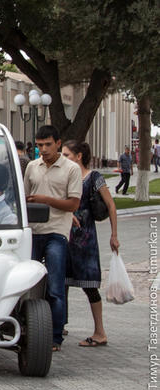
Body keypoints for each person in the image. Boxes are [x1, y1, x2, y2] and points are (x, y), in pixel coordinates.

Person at [25, 125, 81, 351]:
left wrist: (46, 200)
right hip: (33, 232)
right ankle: (29, 331)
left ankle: (55, 337)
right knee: (28, 284)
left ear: (58, 143)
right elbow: (25, 199)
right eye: (39, 145)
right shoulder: (32, 166)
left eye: (48, 144)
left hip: (56, 232)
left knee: (56, 286)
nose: (43, 149)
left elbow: (73, 204)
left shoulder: (71, 169)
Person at [61, 140, 120, 347]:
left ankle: (99, 332)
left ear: (79, 156)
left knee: (89, 286)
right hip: (65, 237)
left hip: (85, 240)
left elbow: (111, 205)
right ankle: (60, 324)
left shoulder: (94, 178)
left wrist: (114, 235)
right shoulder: (67, 176)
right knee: (62, 283)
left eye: (67, 155)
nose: (63, 158)